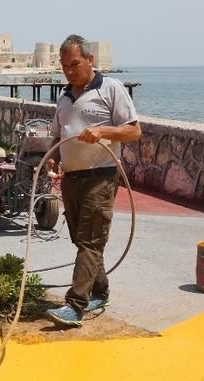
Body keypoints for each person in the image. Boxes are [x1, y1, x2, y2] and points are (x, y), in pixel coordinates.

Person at [45, 35, 142, 327]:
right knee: (82, 239)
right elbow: (57, 135)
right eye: (64, 66)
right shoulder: (63, 98)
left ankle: (75, 305)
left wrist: (104, 133)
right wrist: (55, 159)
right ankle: (100, 290)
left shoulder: (111, 88)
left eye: (74, 64)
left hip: (101, 175)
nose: (69, 71)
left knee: (90, 239)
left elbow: (134, 131)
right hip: (72, 178)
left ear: (90, 60)